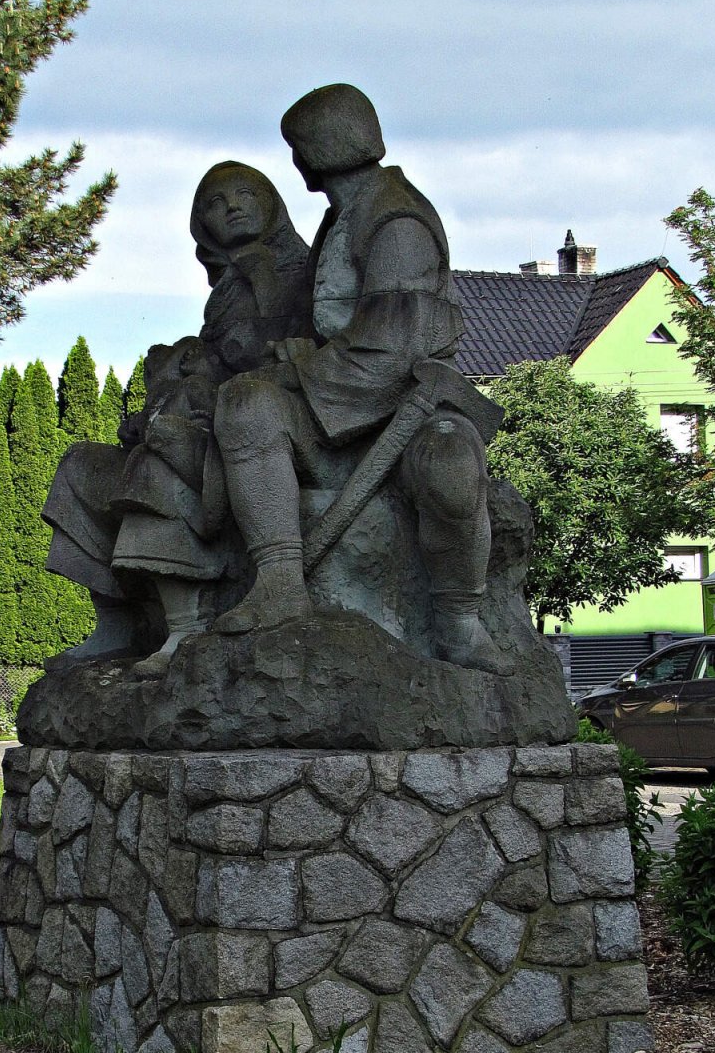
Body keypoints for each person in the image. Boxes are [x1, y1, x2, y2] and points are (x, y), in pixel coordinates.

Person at [210, 83, 510, 673]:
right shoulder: (341, 217)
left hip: (407, 403)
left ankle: (459, 623)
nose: (296, 162)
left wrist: (302, 372)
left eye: (298, 148)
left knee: (450, 464)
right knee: (246, 404)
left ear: (316, 151)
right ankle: (279, 583)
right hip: (341, 397)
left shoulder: (396, 220)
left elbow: (394, 345)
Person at [42, 162, 310, 673]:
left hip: (256, 431)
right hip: (207, 421)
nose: (232, 207)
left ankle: (185, 626)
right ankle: (117, 622)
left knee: (155, 463)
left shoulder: (304, 271)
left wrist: (265, 283)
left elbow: (294, 354)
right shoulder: (224, 292)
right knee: (80, 464)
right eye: (216, 202)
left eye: (245, 194)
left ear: (272, 203)